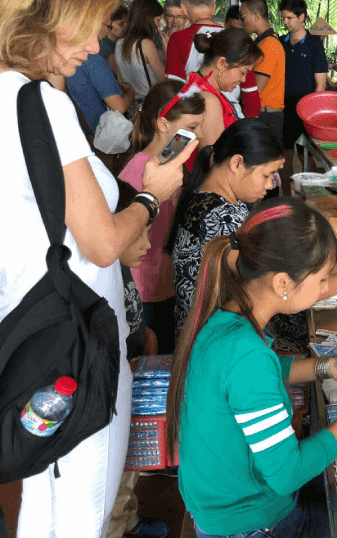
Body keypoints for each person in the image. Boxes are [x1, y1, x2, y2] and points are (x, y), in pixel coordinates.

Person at [0, 0, 195, 536]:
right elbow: (103, 243)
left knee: (45, 501)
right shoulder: (41, 103)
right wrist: (149, 195)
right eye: (83, 31)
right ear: (41, 21)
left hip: (27, 331)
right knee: (80, 509)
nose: (93, 48)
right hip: (76, 338)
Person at [166, 199, 337, 538]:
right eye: (322, 279)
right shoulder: (246, 355)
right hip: (251, 523)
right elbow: (288, 474)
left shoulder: (225, 320)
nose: (326, 287)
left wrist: (326, 367)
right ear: (283, 283)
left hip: (223, 508)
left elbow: (261, 375)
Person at [170, 118, 285, 335]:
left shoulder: (208, 197)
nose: (271, 185)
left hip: (209, 333)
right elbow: (264, 278)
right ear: (237, 164)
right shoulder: (218, 217)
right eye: (266, 175)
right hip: (213, 340)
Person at [118, 80, 206, 354]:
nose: (198, 135)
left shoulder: (172, 161)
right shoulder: (138, 171)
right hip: (145, 290)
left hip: (165, 283)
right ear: (163, 123)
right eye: (191, 127)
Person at [107, 181, 170, 538]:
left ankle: (130, 521)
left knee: (130, 465)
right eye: (140, 237)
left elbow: (131, 309)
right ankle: (118, 527)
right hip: (115, 387)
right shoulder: (99, 277)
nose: (147, 245)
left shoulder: (122, 266)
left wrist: (144, 333)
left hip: (132, 375)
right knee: (115, 478)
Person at [165, 0, 260, 118]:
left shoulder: (178, 39)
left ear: (184, 9)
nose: (242, 77)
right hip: (234, 119)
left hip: (196, 117)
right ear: (214, 7)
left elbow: (173, 90)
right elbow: (251, 98)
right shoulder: (237, 41)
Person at [280, 0, 327, 194]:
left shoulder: (315, 45)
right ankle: (287, 199)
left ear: (302, 17)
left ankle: (314, 195)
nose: (285, 22)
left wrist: (310, 114)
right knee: (285, 156)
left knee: (305, 156)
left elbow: (321, 84)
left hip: (305, 111)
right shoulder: (280, 43)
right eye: (283, 18)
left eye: (289, 18)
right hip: (283, 109)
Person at [187, 28, 263, 149]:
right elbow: (214, 160)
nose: (243, 80)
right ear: (221, 63)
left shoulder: (199, 88)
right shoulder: (208, 101)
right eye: (243, 72)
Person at [240, 0, 286, 192]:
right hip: (266, 115)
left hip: (267, 116)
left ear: (256, 16)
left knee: (266, 175)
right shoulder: (262, 43)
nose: (242, 22)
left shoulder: (268, 46)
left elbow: (256, 88)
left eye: (243, 17)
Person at [66, 51, 135, 134]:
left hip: (74, 132)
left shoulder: (61, 59)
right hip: (102, 134)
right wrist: (131, 92)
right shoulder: (92, 59)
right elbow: (119, 107)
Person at [114, 0, 166, 100]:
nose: (159, 25)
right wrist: (167, 51)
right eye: (157, 20)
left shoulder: (119, 43)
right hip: (149, 103)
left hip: (132, 105)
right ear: (149, 20)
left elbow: (121, 80)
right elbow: (164, 80)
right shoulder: (146, 44)